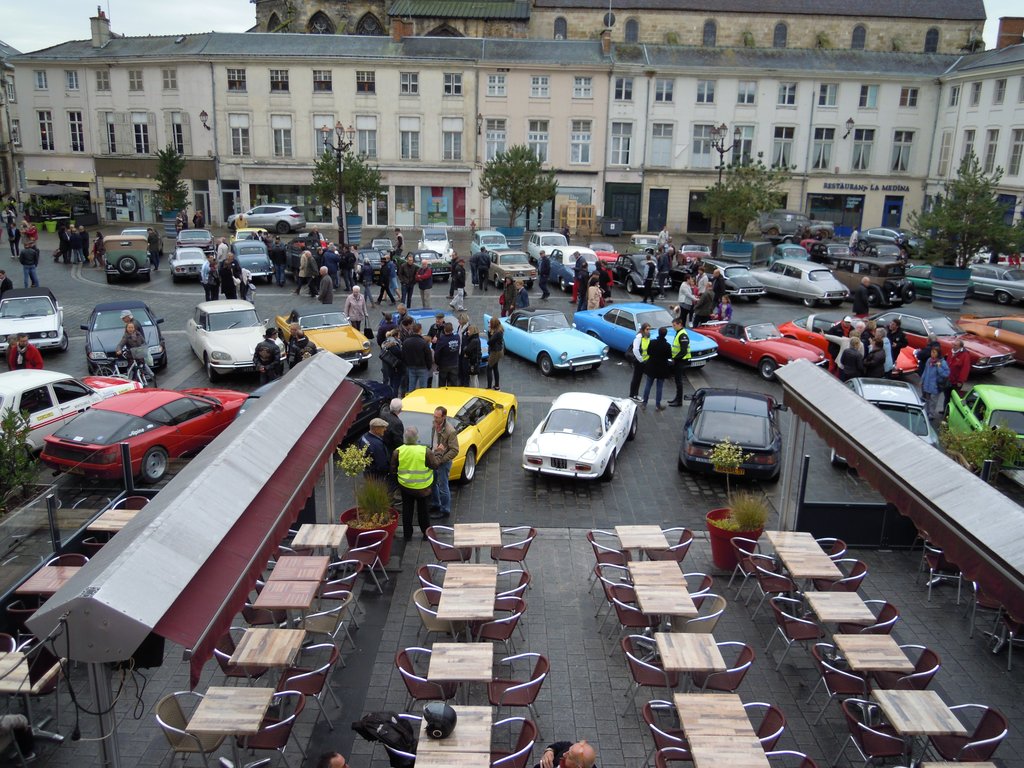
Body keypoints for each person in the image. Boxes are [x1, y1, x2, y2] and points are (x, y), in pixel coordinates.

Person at [392, 426, 441, 541]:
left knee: (407, 511)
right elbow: (435, 465)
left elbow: (393, 469)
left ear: (405, 438)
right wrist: (439, 453)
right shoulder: (425, 451)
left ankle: (407, 535)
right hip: (423, 488)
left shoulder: (398, 451)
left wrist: (399, 483)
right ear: (417, 437)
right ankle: (426, 534)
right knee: (423, 512)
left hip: (406, 487)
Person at [429, 406, 459, 520]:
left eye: (437, 417)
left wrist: (441, 460)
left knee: (443, 486)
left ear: (444, 417)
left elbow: (454, 450)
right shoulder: (435, 424)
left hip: (443, 462)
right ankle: (436, 504)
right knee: (433, 482)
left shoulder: (450, 431)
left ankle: (445, 510)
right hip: (434, 458)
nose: (435, 419)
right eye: (434, 416)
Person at [642, 327, 673, 411]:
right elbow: (669, 356)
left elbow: (648, 352)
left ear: (658, 333)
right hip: (662, 368)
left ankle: (644, 403)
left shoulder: (652, 342)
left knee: (648, 385)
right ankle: (657, 405)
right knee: (659, 387)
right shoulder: (667, 345)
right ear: (665, 335)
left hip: (651, 366)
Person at [921, 346, 949, 419]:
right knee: (927, 400)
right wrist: (922, 380)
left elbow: (946, 374)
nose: (932, 354)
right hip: (927, 384)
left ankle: (931, 414)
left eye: (934, 352)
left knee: (933, 401)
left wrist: (939, 367)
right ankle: (926, 412)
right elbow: (925, 371)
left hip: (935, 386)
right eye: (931, 352)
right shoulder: (929, 360)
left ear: (938, 353)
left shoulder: (942, 362)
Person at [667, 318, 690, 406]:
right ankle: (677, 398)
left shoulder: (683, 335)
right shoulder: (679, 332)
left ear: (680, 324)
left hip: (681, 361)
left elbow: (684, 351)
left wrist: (675, 359)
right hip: (679, 360)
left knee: (679, 381)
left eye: (674, 325)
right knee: (677, 380)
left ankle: (679, 401)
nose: (673, 327)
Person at [404, 322, 433, 392]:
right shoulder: (423, 343)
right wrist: (428, 367)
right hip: (422, 367)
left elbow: (403, 355)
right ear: (420, 330)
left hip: (411, 367)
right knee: (423, 389)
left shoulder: (406, 342)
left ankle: (411, 398)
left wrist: (407, 364)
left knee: (411, 387)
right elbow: (428, 357)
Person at [945, 338, 971, 412]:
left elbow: (965, 369)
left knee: (953, 398)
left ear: (960, 347)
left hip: (956, 382)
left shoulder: (965, 355)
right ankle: (945, 410)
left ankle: (951, 412)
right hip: (948, 379)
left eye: (955, 345)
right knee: (946, 396)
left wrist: (960, 381)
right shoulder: (951, 351)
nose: (953, 346)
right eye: (953, 344)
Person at [628, 323, 651, 402]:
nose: (648, 331)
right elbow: (635, 350)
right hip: (639, 361)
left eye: (649, 329)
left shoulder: (646, 337)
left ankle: (635, 394)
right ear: (643, 329)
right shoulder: (639, 337)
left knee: (638, 378)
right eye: (647, 329)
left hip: (644, 361)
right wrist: (641, 359)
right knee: (636, 378)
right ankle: (632, 395)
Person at [433, 322, 461, 387]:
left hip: (444, 365)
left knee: (442, 384)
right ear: (452, 329)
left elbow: (437, 353)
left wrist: (437, 363)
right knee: (454, 384)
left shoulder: (442, 339)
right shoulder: (457, 337)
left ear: (444, 330)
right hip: (454, 363)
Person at [462, 324, 482, 388]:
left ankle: (474, 391)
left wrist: (465, 349)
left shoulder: (473, 341)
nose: (467, 332)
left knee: (473, 379)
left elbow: (467, 349)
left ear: (472, 331)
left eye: (469, 330)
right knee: (475, 378)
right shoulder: (476, 339)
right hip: (476, 360)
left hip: (473, 362)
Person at [486, 315, 504, 390]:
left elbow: (489, 342)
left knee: (489, 368)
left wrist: (489, 332)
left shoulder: (496, 333)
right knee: (495, 367)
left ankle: (489, 387)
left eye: (490, 323)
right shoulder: (500, 330)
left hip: (495, 352)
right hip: (499, 350)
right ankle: (497, 385)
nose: (489, 324)